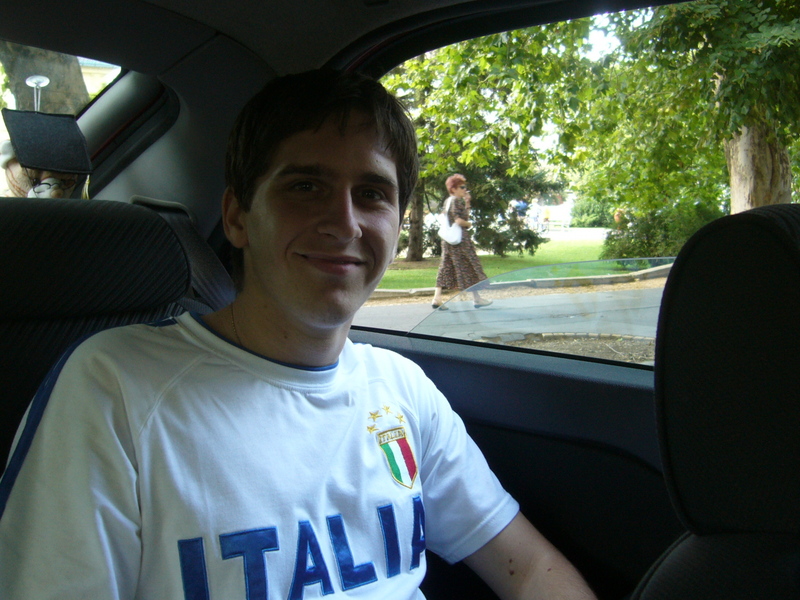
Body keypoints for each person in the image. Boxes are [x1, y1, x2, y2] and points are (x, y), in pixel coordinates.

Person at [0, 69, 596, 600]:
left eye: (372, 194)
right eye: (306, 186)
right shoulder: (115, 388)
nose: (344, 222)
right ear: (238, 217)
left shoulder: (403, 390)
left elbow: (528, 568)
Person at [431, 174, 492, 309]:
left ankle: (437, 298)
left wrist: (467, 203)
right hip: (460, 241)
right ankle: (477, 299)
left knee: (446, 268)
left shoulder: (448, 201)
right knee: (469, 266)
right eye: (462, 187)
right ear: (453, 189)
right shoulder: (456, 201)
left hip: (449, 241)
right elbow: (459, 220)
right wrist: (469, 224)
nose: (465, 189)